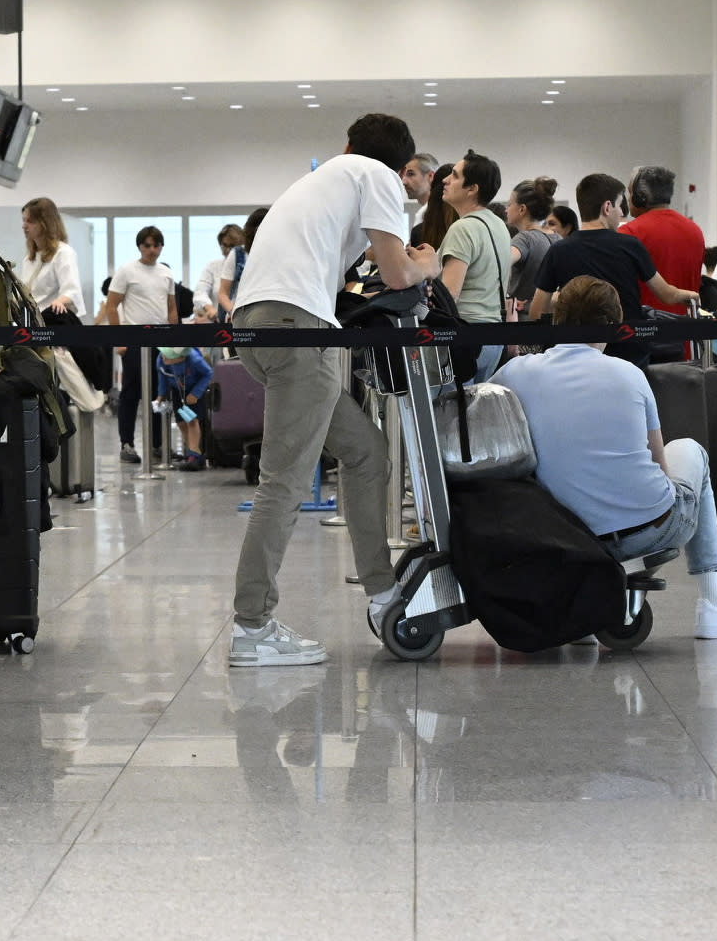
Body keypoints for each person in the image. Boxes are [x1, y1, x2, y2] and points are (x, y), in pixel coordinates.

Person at [227, 112, 434, 667]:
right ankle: (252, 625)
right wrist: (427, 265)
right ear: (403, 166)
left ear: (346, 144)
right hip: (298, 329)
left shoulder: (324, 178)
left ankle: (382, 594)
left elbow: (363, 255)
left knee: (366, 451)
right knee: (285, 481)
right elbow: (395, 273)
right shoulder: (380, 176)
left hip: (257, 325)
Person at [493, 277, 717, 640]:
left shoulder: (518, 373)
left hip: (566, 533)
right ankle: (715, 601)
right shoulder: (630, 376)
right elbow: (660, 467)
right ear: (615, 324)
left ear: (558, 317)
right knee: (692, 451)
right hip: (645, 530)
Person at [528, 172, 699, 357]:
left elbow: (537, 312)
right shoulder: (630, 245)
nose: (622, 212)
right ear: (607, 207)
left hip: (578, 352)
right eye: (619, 205)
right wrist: (690, 296)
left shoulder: (558, 250)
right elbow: (667, 294)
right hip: (628, 350)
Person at [98, 225, 176, 466]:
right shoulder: (127, 271)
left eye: (156, 245)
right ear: (140, 247)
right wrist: (119, 339)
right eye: (147, 245)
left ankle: (157, 444)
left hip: (160, 341)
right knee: (131, 393)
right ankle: (127, 444)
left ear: (161, 247)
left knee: (159, 393)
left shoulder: (166, 273)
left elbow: (171, 308)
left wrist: (174, 342)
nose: (152, 250)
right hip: (133, 341)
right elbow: (111, 306)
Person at [434, 151, 512, 380]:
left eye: (454, 176)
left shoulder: (463, 228)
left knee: (451, 414)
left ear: (472, 189)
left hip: (466, 337)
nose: (445, 180)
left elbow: (449, 295)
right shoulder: (498, 225)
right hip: (493, 336)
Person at [622, 165, 706, 313]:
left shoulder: (628, 232)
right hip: (687, 330)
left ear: (640, 197)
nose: (628, 199)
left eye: (630, 193)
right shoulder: (695, 231)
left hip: (644, 330)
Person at [16, 197, 83, 316]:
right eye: (24, 220)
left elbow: (72, 291)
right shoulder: (29, 258)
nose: (24, 226)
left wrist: (59, 301)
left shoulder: (63, 253)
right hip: (34, 322)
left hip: (54, 321)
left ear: (45, 223)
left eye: (30, 221)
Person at [503, 177, 558, 313]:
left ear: (522, 209)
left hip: (524, 320)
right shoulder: (558, 238)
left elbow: (499, 264)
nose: (506, 210)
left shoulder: (524, 239)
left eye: (509, 204)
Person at [194, 223, 249, 322]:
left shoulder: (248, 266)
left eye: (232, 246)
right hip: (217, 323)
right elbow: (200, 293)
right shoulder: (212, 266)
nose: (227, 250)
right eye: (224, 245)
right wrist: (210, 309)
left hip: (243, 322)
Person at [401, 150, 440, 220]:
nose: (404, 182)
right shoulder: (425, 212)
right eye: (403, 175)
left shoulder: (439, 213)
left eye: (410, 174)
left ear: (430, 176)